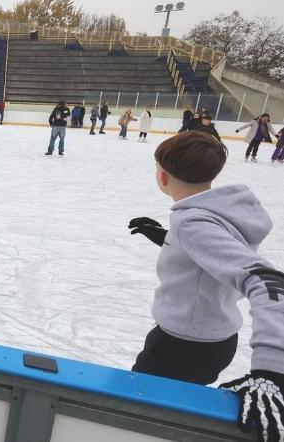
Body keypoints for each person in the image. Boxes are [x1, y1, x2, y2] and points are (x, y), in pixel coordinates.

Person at [128, 131, 284, 440]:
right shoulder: (217, 213)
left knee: (136, 417)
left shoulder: (193, 224)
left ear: (162, 176)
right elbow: (217, 252)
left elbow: (269, 282)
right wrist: (169, 240)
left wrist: (271, 372)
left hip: (181, 349)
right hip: (212, 341)